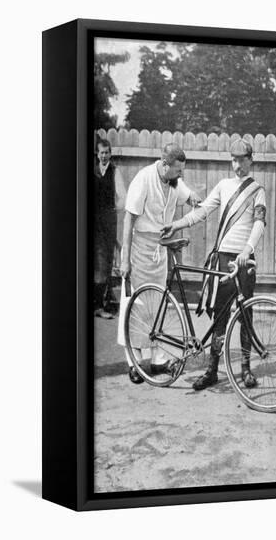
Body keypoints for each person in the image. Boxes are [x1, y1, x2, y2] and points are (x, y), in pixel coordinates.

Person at [161, 139, 266, 391]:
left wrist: (247, 249)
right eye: (234, 159)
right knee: (219, 315)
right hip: (222, 259)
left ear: (251, 160)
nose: (237, 164)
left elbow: (260, 223)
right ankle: (212, 370)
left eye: (242, 160)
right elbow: (203, 210)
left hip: (244, 260)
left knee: (246, 315)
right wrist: (177, 224)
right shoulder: (223, 185)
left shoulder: (257, 189)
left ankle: (246, 368)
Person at [119, 144, 199, 383]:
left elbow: (191, 196)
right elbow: (128, 220)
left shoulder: (174, 181)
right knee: (136, 305)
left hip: (160, 249)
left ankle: (158, 360)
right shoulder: (143, 179)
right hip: (139, 248)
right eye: (177, 170)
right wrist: (125, 260)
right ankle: (134, 361)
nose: (180, 175)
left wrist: (197, 199)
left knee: (159, 304)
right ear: (165, 165)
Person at [94, 138, 126, 319]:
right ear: (97, 154)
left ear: (110, 153)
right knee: (96, 260)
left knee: (106, 260)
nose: (104, 155)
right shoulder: (91, 170)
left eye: (107, 152)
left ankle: (102, 303)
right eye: (101, 152)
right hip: (94, 219)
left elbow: (123, 196)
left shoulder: (115, 171)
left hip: (108, 220)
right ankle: (97, 304)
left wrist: (115, 208)